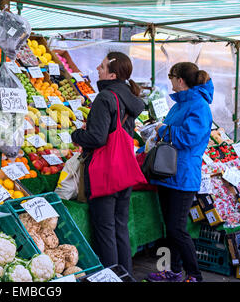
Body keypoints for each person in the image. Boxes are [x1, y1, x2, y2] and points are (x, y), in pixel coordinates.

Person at [71, 52, 144, 274]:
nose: (97, 69)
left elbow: (97, 138)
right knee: (120, 229)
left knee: (105, 231)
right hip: (124, 172)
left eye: (102, 66)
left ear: (112, 74)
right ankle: (125, 275)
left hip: (105, 173)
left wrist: (76, 135)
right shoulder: (129, 99)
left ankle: (111, 276)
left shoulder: (105, 98)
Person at [147, 62, 213, 283]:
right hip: (167, 175)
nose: (170, 80)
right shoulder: (179, 104)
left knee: (177, 230)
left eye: (171, 76)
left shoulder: (199, 106)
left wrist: (163, 130)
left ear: (180, 80)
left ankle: (194, 275)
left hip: (184, 177)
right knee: (170, 228)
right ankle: (172, 271)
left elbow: (190, 137)